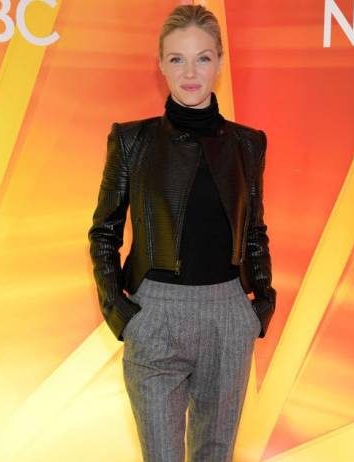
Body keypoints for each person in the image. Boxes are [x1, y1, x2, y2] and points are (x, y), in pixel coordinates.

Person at [87, 4, 276, 461]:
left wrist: (260, 305)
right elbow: (104, 233)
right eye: (177, 59)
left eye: (202, 58)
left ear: (219, 62)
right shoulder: (131, 140)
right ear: (161, 64)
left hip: (228, 315)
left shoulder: (248, 144)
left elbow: (254, 230)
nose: (190, 72)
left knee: (215, 454)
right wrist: (120, 311)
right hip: (154, 316)